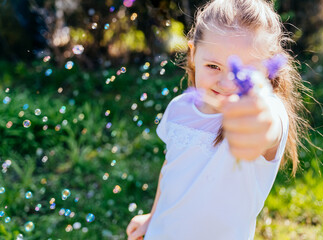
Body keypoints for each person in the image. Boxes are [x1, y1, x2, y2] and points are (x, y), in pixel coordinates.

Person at [126, 0, 310, 239]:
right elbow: (170, 170)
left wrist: (260, 121)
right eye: (213, 66)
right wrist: (152, 216)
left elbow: (269, 124)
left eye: (245, 72)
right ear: (193, 54)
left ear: (268, 71)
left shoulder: (265, 112)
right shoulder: (179, 109)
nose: (227, 83)